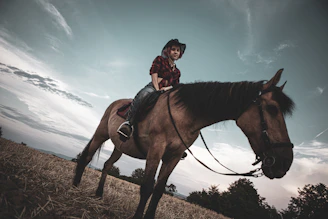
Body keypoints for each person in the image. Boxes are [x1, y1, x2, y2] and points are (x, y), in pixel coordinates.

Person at [117, 39, 186, 141]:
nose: (176, 52)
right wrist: (157, 90)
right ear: (168, 51)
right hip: (154, 87)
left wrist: (166, 89)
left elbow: (175, 86)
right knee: (144, 94)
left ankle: (175, 139)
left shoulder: (177, 72)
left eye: (178, 50)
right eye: (173, 49)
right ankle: (128, 123)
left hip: (167, 92)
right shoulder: (160, 60)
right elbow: (154, 75)